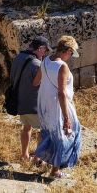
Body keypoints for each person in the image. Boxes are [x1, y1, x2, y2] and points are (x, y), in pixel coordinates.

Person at [34, 35, 82, 178]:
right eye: (71, 53)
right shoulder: (63, 66)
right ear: (67, 50)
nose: (71, 56)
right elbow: (61, 93)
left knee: (48, 133)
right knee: (67, 134)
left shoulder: (45, 61)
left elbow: (35, 82)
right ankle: (55, 171)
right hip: (59, 105)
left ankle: (41, 158)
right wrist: (66, 117)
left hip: (44, 104)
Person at [9, 35, 51, 161]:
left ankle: (24, 155)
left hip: (20, 103)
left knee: (26, 128)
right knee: (44, 131)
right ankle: (37, 158)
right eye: (45, 50)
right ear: (40, 49)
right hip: (34, 105)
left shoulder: (18, 58)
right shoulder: (37, 64)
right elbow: (40, 83)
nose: (46, 53)